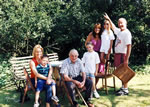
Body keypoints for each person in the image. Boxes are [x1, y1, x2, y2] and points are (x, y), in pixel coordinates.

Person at [104, 13, 132, 96]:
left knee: (123, 72)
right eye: (119, 23)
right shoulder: (120, 31)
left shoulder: (127, 33)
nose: (120, 24)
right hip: (117, 55)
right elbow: (112, 27)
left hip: (123, 55)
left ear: (125, 23)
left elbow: (129, 47)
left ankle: (125, 89)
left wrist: (126, 59)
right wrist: (108, 18)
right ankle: (123, 88)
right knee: (120, 72)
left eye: (122, 23)